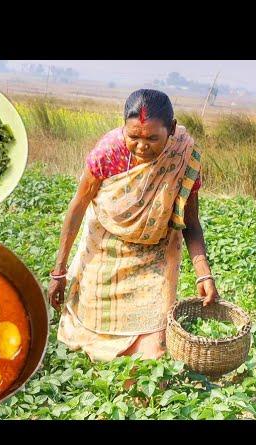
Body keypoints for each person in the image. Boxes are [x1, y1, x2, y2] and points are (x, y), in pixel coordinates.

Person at [47, 89, 218, 361]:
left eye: (152, 138)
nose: (141, 146)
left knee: (154, 353)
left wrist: (204, 273)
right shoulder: (108, 152)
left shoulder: (182, 155)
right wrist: (59, 272)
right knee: (88, 339)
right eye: (133, 137)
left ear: (172, 129)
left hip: (155, 255)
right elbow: (77, 208)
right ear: (122, 128)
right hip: (105, 248)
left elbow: (191, 222)